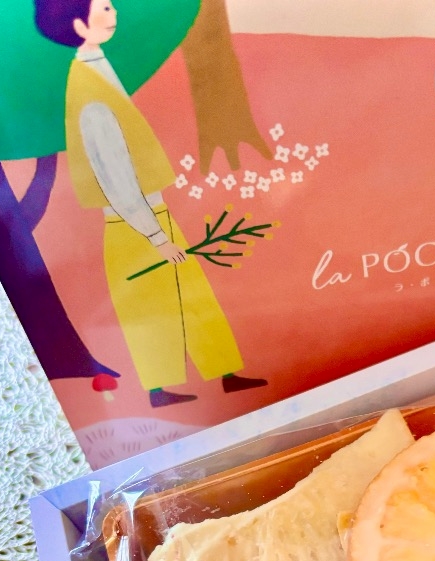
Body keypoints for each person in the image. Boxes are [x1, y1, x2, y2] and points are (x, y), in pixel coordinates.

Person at [35, 0, 267, 407]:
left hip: (149, 213)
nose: (113, 12)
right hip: (131, 223)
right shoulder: (88, 90)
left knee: (193, 296)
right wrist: (155, 236)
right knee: (150, 308)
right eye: (104, 7)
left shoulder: (98, 70)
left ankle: (225, 373)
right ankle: (158, 390)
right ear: (79, 24)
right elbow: (115, 176)